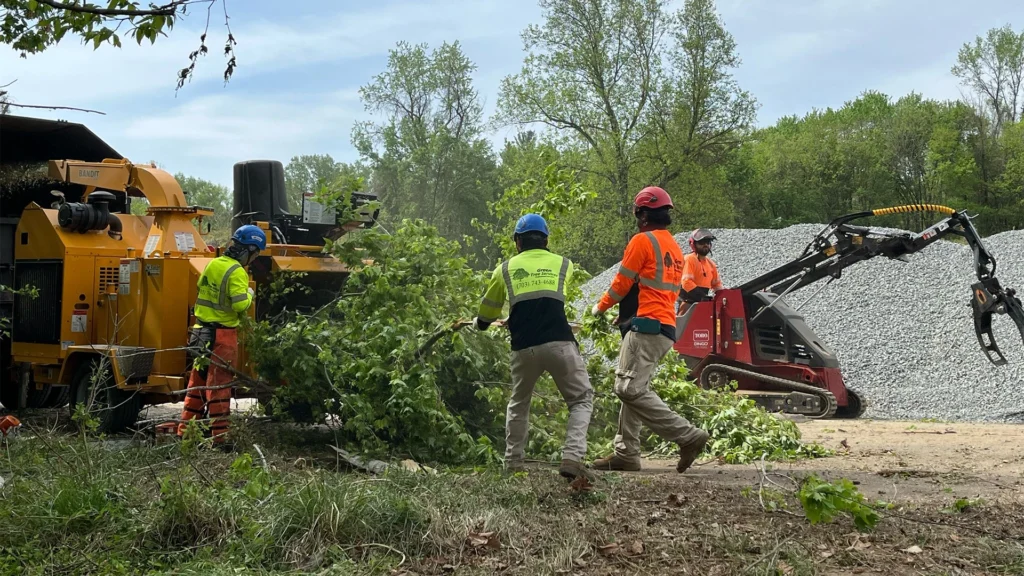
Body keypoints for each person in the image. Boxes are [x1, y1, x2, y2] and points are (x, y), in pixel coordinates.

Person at [589, 187, 710, 473]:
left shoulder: (642, 241)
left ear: (642, 215)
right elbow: (658, 288)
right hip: (664, 327)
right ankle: (626, 453)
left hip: (646, 327)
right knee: (635, 387)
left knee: (627, 388)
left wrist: (600, 307)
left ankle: (687, 436)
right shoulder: (674, 248)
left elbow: (622, 283)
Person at [476, 214, 595, 481]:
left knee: (519, 403)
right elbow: (546, 299)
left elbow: (487, 312)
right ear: (546, 240)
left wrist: (482, 323)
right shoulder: (564, 264)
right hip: (560, 343)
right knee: (580, 399)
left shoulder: (504, 269)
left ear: (517, 242)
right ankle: (572, 458)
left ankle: (513, 463)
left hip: (523, 348)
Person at [177, 224, 267, 447]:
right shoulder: (237, 271)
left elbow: (201, 287)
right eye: (255, 255)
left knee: (197, 384)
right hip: (222, 335)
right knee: (219, 387)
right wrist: (250, 294)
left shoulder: (213, 263)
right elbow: (239, 305)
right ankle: (220, 438)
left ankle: (185, 433)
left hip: (200, 331)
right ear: (249, 250)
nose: (254, 260)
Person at [676, 228, 724, 315]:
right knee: (684, 323)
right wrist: (702, 297)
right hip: (688, 303)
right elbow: (686, 282)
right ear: (693, 244)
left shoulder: (711, 264)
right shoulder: (689, 259)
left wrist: (724, 295)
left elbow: (717, 285)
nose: (705, 245)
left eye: (708, 242)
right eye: (701, 242)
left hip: (703, 303)